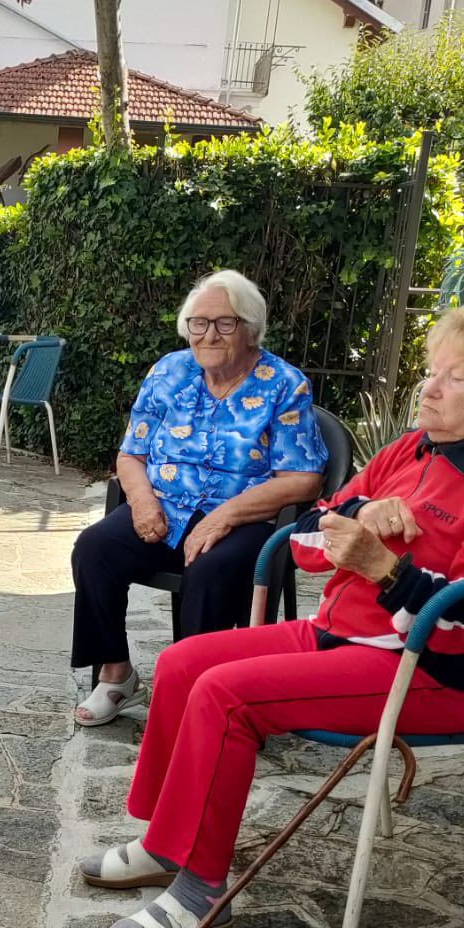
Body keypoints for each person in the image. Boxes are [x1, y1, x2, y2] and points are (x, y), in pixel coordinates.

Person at [80, 305, 464, 928]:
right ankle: (167, 843)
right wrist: (363, 512)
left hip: (429, 672)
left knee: (226, 697)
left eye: (456, 377)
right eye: (431, 372)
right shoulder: (410, 450)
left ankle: (202, 896)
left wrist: (384, 569)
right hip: (342, 632)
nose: (429, 387)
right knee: (182, 663)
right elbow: (311, 535)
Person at [71, 270, 327, 726]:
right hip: (166, 506)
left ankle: (191, 689)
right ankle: (117, 672)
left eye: (225, 323)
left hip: (247, 516)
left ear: (251, 329)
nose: (208, 334)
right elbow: (130, 454)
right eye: (198, 323)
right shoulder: (168, 372)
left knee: (209, 567)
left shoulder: (284, 384)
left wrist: (224, 516)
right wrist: (144, 503)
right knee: (94, 549)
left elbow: (304, 479)